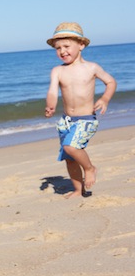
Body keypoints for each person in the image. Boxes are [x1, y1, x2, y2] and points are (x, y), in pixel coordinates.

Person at [45, 22, 116, 198]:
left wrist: (105, 98)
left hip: (86, 120)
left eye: (66, 46)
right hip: (66, 121)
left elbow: (111, 82)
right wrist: (50, 105)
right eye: (58, 48)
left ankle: (90, 168)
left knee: (71, 147)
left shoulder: (91, 68)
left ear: (81, 45)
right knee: (69, 158)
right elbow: (53, 91)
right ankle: (78, 189)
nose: (62, 51)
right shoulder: (57, 71)